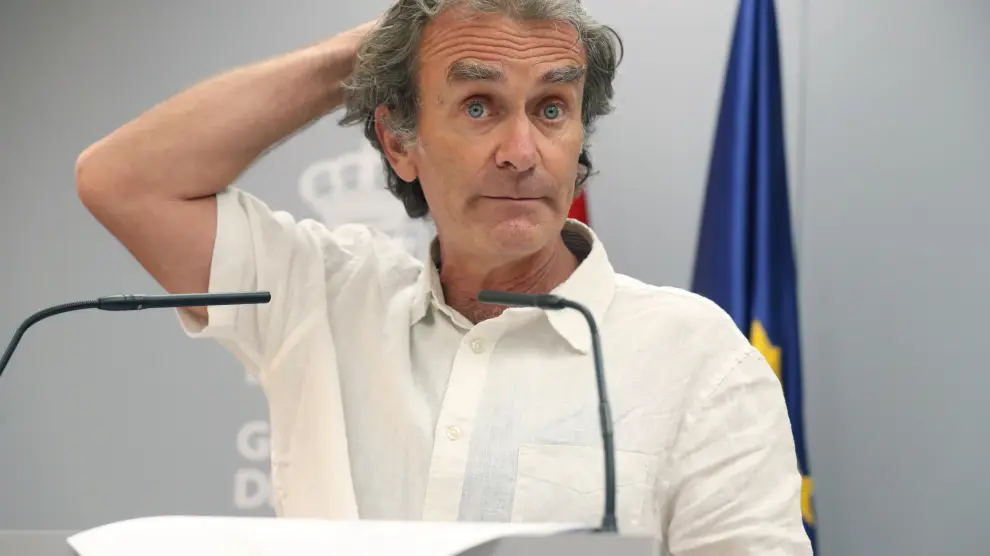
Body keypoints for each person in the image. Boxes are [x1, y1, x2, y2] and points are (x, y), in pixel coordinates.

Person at [74, 0, 812, 553]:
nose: (522, 151)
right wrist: (374, 50)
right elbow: (123, 182)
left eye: (552, 108)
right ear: (400, 143)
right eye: (478, 105)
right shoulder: (324, 298)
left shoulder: (698, 359)